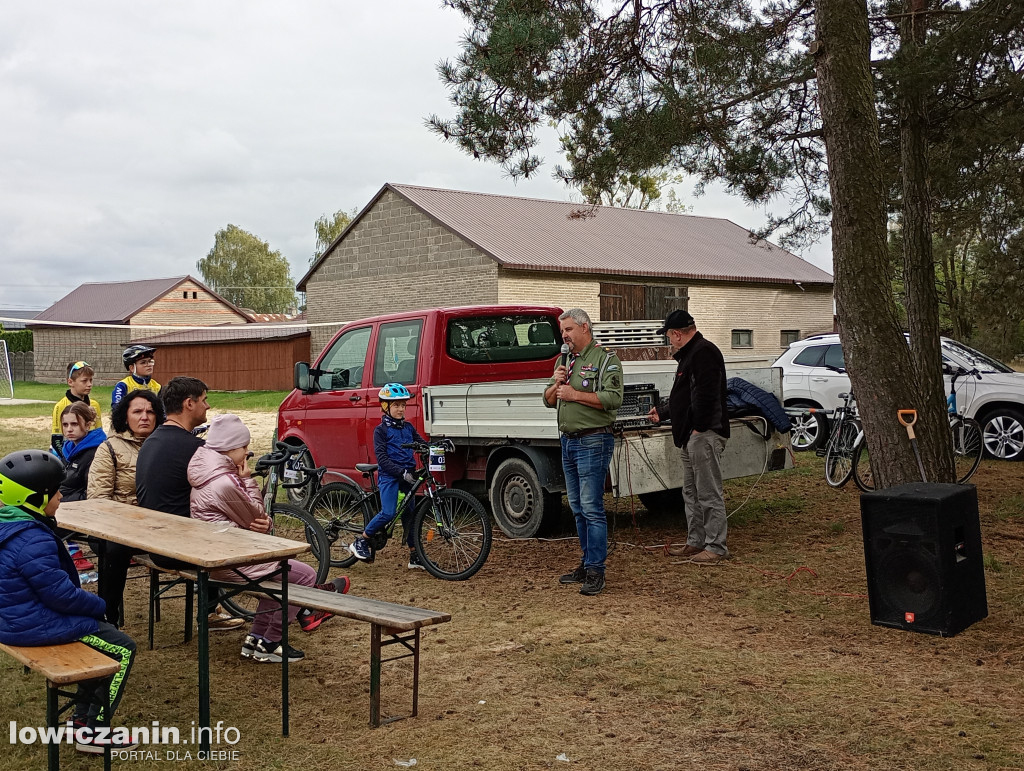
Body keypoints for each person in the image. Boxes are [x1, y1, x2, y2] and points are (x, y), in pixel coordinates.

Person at [0, 449, 138, 754]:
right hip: (31, 626)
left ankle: (80, 719)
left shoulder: (9, 524)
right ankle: (93, 732)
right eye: (54, 491)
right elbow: (60, 596)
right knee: (122, 647)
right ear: (34, 499)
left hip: (12, 619)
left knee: (98, 639)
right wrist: (100, 606)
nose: (62, 496)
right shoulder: (32, 539)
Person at [188, 414, 351, 663]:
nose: (248, 452)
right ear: (229, 448)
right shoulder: (224, 482)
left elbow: (253, 521)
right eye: (244, 447)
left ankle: (255, 640)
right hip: (231, 561)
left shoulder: (205, 472)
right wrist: (247, 479)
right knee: (304, 575)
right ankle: (271, 641)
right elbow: (258, 517)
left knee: (279, 576)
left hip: (220, 555)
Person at [135, 376, 243, 632]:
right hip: (182, 549)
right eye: (204, 400)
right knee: (235, 531)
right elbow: (226, 495)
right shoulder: (196, 449)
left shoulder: (150, 442)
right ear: (188, 403)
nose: (208, 406)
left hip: (154, 543)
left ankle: (211, 609)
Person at [543, 309, 623, 596]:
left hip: (593, 441)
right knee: (576, 507)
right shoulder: (564, 360)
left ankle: (596, 571)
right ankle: (587, 562)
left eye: (568, 329)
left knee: (591, 507)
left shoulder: (605, 359)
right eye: (562, 331)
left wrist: (574, 394)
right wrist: (556, 384)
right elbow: (548, 400)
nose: (564, 335)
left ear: (585, 328)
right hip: (568, 442)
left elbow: (613, 399)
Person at [648, 309, 731, 564]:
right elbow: (685, 397)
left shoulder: (703, 352)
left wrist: (699, 428)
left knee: (708, 491)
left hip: (702, 435)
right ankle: (696, 541)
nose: (669, 341)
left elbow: (706, 396)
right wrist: (663, 412)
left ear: (676, 334)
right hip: (691, 435)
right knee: (691, 492)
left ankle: (716, 546)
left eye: (669, 336)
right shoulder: (691, 355)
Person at [87, 389, 164, 625]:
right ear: (125, 416)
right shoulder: (109, 448)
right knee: (115, 551)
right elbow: (98, 500)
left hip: (158, 527)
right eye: (138, 411)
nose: (145, 417)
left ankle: (211, 612)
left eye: (150, 411)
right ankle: (107, 617)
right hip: (115, 526)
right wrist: (129, 521)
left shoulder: (165, 445)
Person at [349, 383, 428, 568]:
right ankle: (362, 540)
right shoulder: (381, 430)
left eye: (403, 405)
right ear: (385, 407)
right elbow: (383, 460)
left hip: (408, 475)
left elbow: (421, 443)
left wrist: (436, 446)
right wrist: (401, 472)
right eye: (396, 405)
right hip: (390, 476)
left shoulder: (408, 428)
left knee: (410, 515)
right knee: (388, 512)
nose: (401, 409)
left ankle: (414, 556)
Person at [59, 401, 107, 502]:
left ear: (88, 425)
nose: (69, 429)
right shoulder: (68, 449)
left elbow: (91, 493)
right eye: (65, 425)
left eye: (74, 424)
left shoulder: (96, 453)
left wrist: (59, 501)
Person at [51, 361, 103, 455]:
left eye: (91, 380)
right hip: (68, 454)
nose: (89, 384)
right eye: (84, 381)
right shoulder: (61, 406)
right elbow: (56, 440)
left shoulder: (94, 405)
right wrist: (67, 460)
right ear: (70, 382)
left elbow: (99, 435)